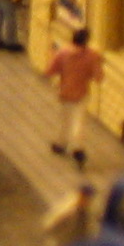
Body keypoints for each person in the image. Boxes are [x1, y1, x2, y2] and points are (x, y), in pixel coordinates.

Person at [43, 28, 104, 167]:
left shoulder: (63, 53)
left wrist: (52, 54)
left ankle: (61, 143)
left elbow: (49, 70)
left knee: (65, 119)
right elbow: (99, 77)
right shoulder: (92, 56)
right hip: (81, 93)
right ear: (86, 41)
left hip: (65, 92)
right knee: (78, 121)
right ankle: (77, 149)